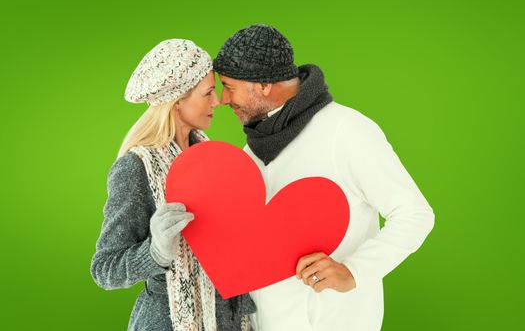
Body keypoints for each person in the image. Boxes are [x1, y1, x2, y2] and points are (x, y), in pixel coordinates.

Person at [212, 24, 435, 331]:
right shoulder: (251, 153)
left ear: (262, 85)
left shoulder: (346, 131)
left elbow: (414, 214)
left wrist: (354, 271)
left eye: (229, 86)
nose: (223, 99)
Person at [90, 39, 255, 331]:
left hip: (229, 320)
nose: (217, 101)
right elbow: (105, 269)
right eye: (207, 93)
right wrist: (156, 252)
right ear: (177, 100)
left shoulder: (212, 158)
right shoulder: (135, 168)